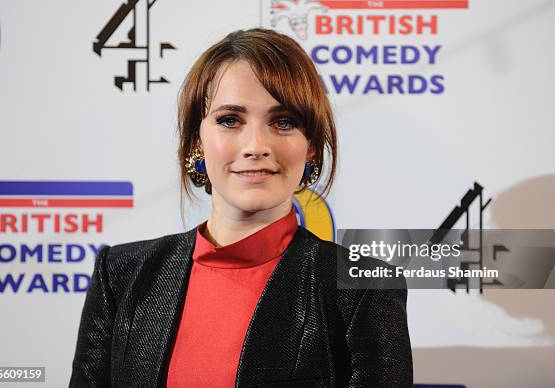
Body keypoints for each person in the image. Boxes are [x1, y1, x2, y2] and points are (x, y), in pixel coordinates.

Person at [69, 28, 412, 388]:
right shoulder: (121, 275)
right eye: (230, 120)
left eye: (283, 122)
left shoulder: (365, 288)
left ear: (310, 146)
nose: (256, 145)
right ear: (194, 142)